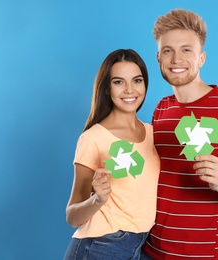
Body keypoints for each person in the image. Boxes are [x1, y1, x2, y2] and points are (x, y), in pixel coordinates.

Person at [142, 9, 218, 259]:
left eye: (186, 50)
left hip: (205, 254)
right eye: (168, 50)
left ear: (202, 58)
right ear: (158, 58)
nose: (176, 59)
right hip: (151, 251)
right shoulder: (161, 109)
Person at [64, 49, 160, 260]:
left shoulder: (154, 134)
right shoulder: (93, 139)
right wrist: (97, 199)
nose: (129, 90)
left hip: (141, 245)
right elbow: (72, 216)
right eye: (118, 82)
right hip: (100, 247)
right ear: (107, 88)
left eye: (137, 80)